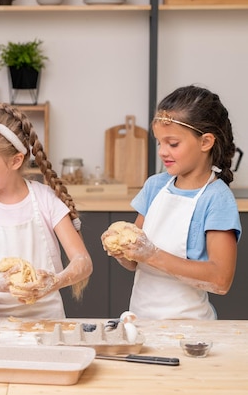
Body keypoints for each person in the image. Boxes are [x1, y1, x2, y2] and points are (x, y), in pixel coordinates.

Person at [0, 65, 93, 319]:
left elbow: (83, 263)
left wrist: (53, 282)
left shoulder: (46, 199)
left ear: (16, 161)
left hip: (48, 323)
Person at [102, 85, 242, 320]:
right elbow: (135, 262)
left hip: (190, 328)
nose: (162, 152)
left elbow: (221, 279)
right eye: (159, 143)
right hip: (141, 321)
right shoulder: (155, 186)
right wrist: (121, 252)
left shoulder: (216, 199)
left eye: (173, 144)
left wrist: (152, 255)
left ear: (206, 142)